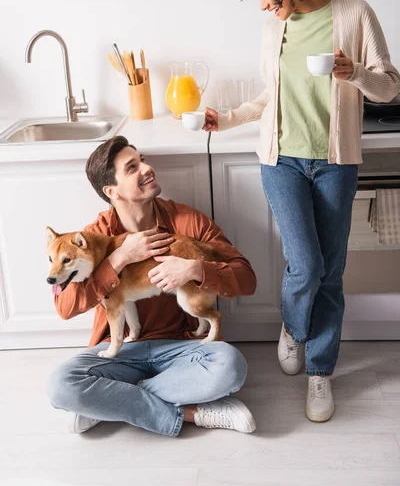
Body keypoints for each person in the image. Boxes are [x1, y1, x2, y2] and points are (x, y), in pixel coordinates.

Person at [204, 0, 400, 422]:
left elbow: (390, 88)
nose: (261, 4)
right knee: (306, 265)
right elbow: (271, 97)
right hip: (281, 161)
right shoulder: (276, 27)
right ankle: (292, 326)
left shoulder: (354, 13)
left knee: (331, 273)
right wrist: (226, 119)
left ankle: (320, 371)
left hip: (335, 162)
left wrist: (351, 71)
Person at [46, 136, 257, 437]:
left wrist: (195, 268)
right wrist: (118, 259)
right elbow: (65, 308)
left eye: (142, 160)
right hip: (120, 351)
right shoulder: (92, 238)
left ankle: (113, 402)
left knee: (231, 366)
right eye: (133, 168)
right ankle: (192, 413)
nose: (147, 168)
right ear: (111, 191)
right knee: (60, 384)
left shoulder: (188, 222)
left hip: (183, 348)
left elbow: (246, 279)